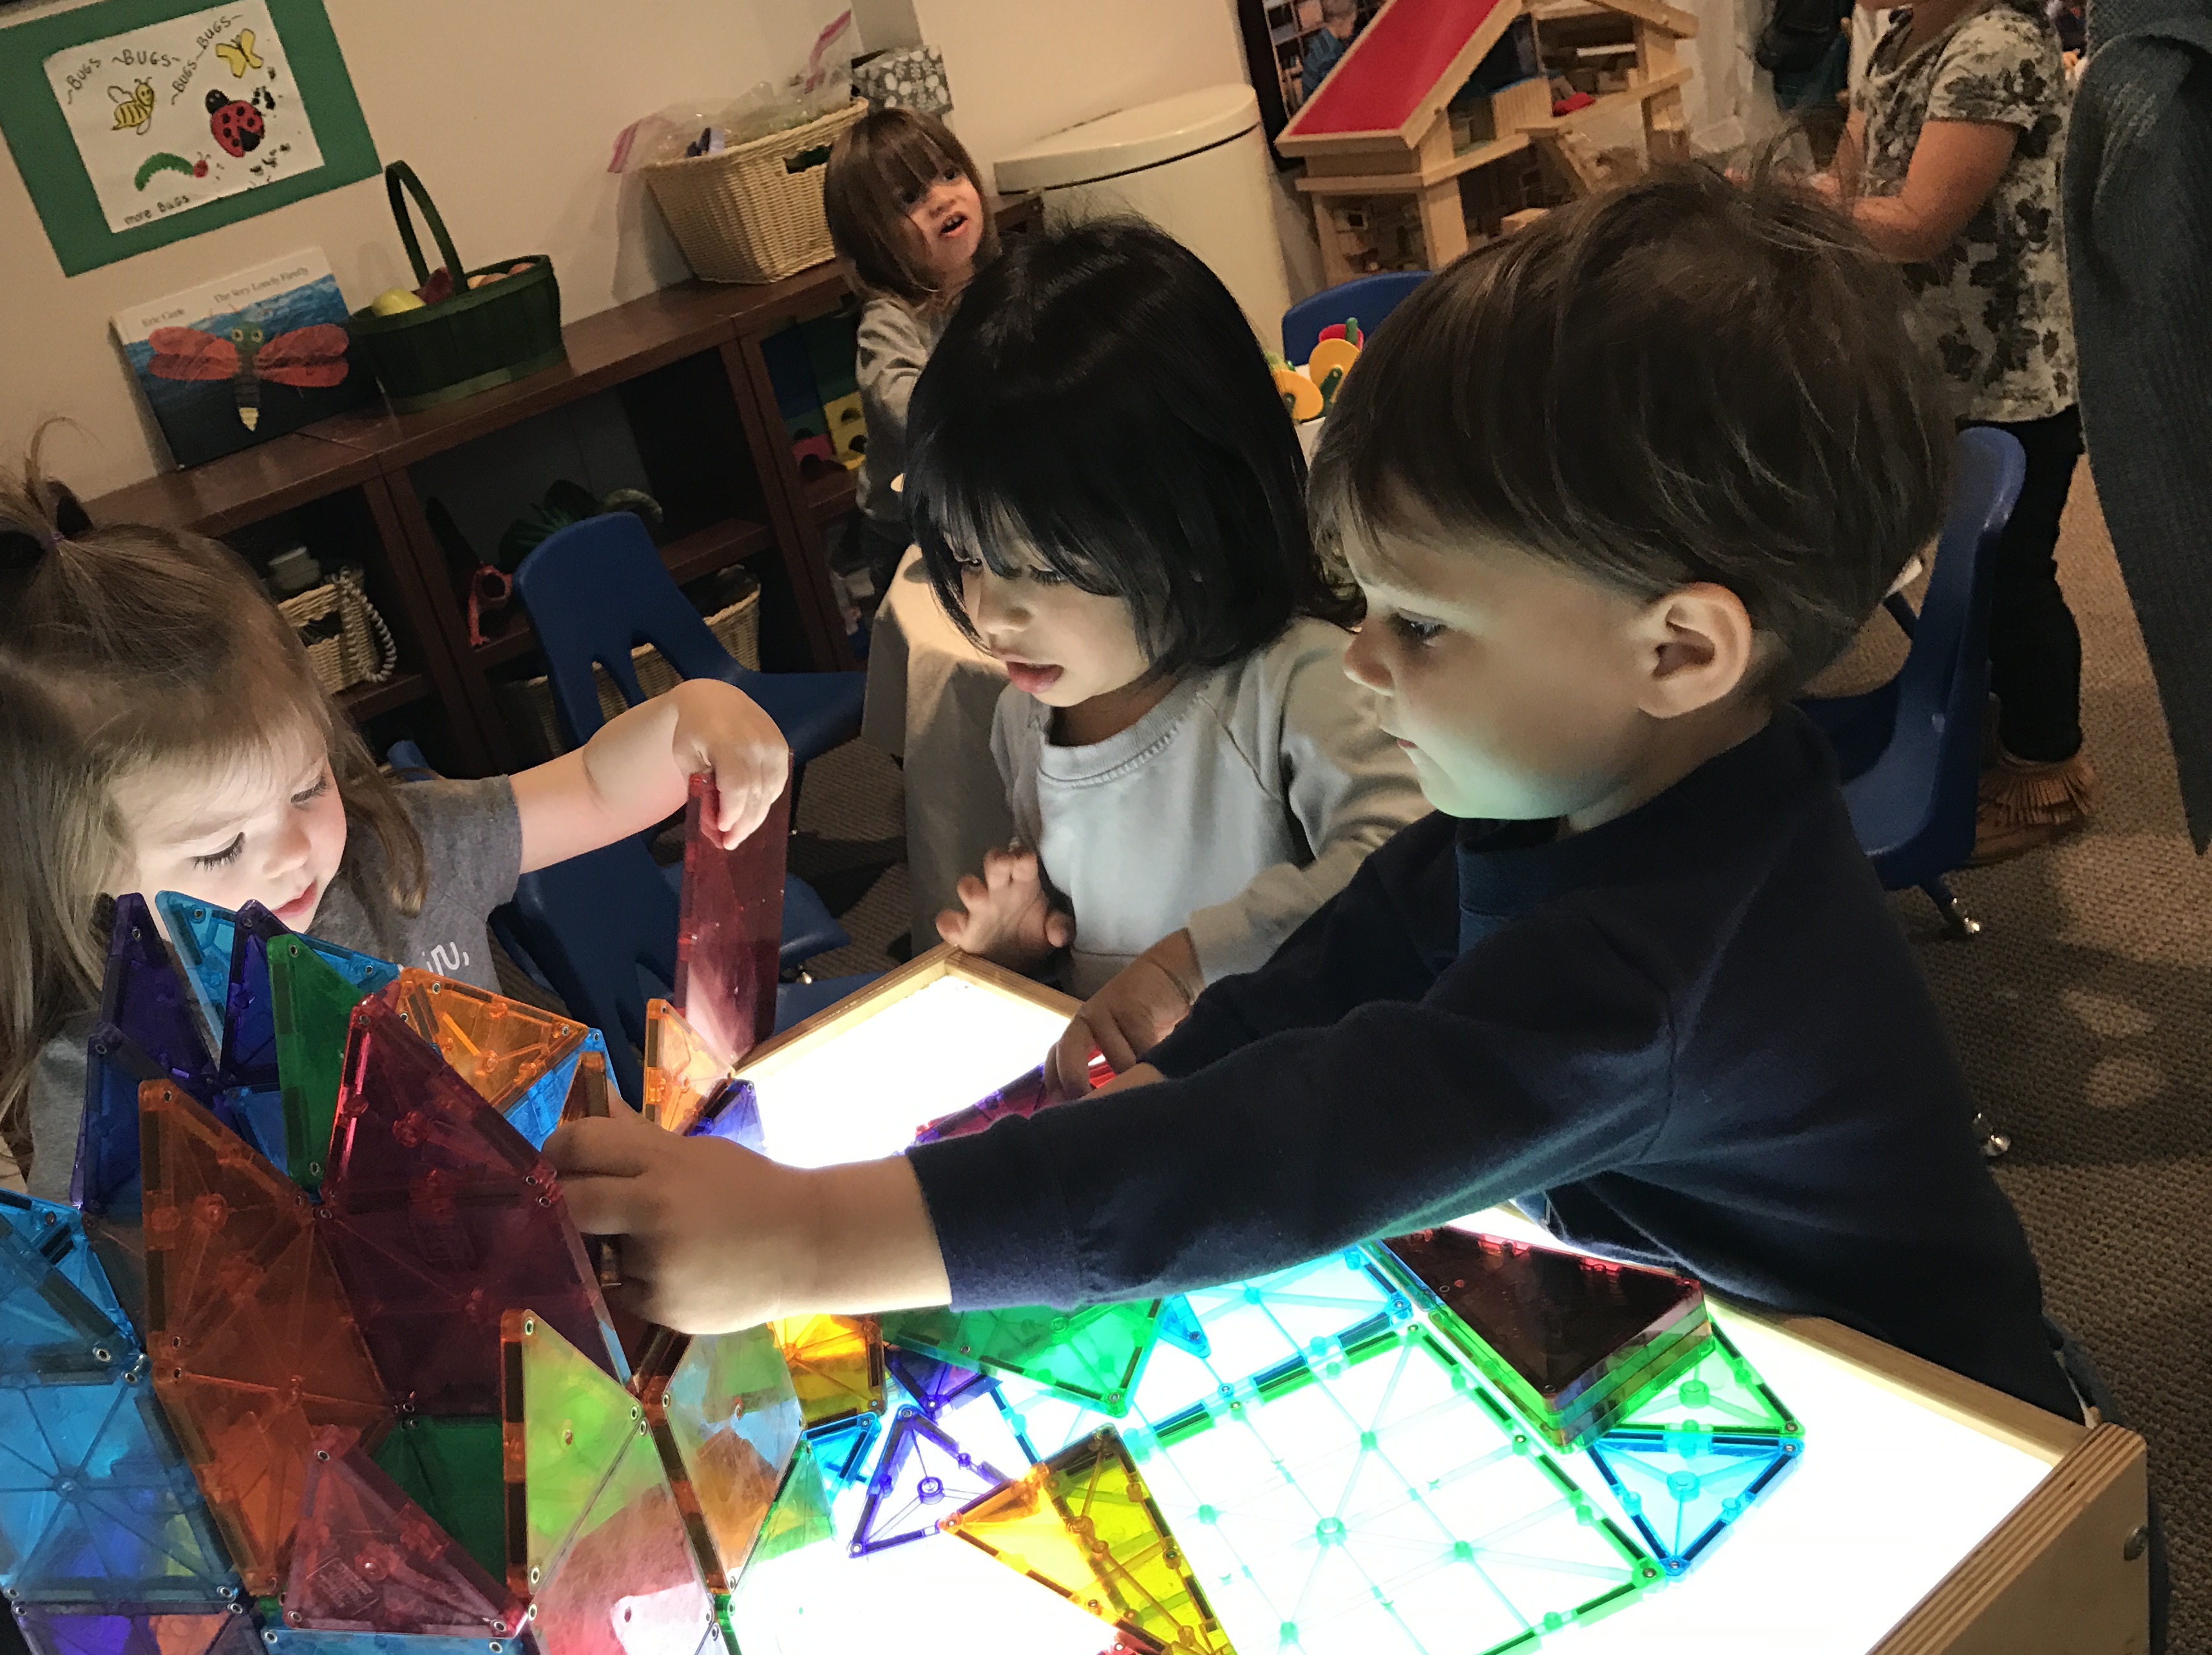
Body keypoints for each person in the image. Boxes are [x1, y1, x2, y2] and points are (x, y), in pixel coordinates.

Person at [548, 169, 2084, 1430]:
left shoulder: (1654, 970)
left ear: (1677, 651)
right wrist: (1163, 1079)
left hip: (1963, 1449)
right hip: (1744, 1356)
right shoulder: (1564, 787)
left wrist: (807, 1240)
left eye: (1422, 623)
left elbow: (1296, 1148)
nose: (1363, 653)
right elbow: (1334, 978)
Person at [0, 473, 791, 1200]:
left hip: (617, 1244)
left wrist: (696, 718)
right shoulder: (106, 1078)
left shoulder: (400, 857)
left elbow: (598, 789)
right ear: (80, 869)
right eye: (219, 849)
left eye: (308, 786)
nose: (292, 849)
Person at [915, 220, 1424, 1070]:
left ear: (1193, 528)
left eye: (1041, 567)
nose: (991, 615)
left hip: (1301, 1107)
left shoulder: (1291, 684)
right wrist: (1019, 956)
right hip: (1149, 1120)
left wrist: (1189, 965)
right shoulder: (1025, 717)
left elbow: (1410, 862)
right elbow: (1090, 965)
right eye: (966, 557)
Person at [1811, 0, 2090, 858]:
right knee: (1967, 570)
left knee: (2015, 575)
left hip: (2017, 384)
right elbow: (1849, 176)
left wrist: (1806, 210)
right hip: (1939, 370)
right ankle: (1990, 719)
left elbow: (1921, 221)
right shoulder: (1897, 39)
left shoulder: (2000, 47)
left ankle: (2050, 765)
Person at [821, 108, 995, 605]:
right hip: (909, 532)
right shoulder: (892, 319)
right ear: (870, 238)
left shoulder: (1000, 285)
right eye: (910, 198)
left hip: (981, 511)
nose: (941, 198)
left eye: (949, 173)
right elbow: (900, 400)